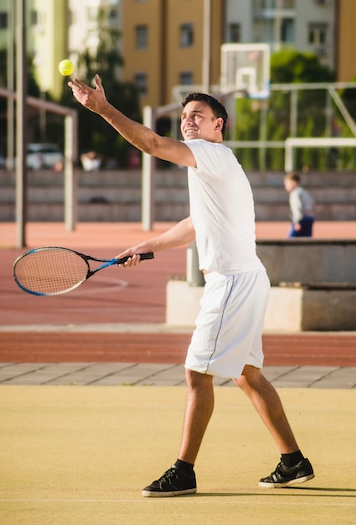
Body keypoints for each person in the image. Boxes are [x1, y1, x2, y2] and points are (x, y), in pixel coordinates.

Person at [69, 75, 314, 498]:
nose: (187, 122)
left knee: (196, 372)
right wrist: (147, 247)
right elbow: (195, 225)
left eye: (197, 116)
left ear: (218, 124)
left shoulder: (209, 154)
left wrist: (103, 109)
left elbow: (150, 144)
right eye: (184, 116)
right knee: (247, 376)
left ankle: (184, 471)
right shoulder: (214, 166)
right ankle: (293, 461)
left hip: (233, 284)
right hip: (248, 279)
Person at [283, 172, 315, 238]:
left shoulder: (295, 193)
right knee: (306, 240)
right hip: (310, 217)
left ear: (294, 183)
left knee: (291, 240)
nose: (286, 186)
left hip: (301, 219)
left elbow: (297, 207)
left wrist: (297, 221)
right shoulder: (304, 192)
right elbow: (312, 204)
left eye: (287, 184)